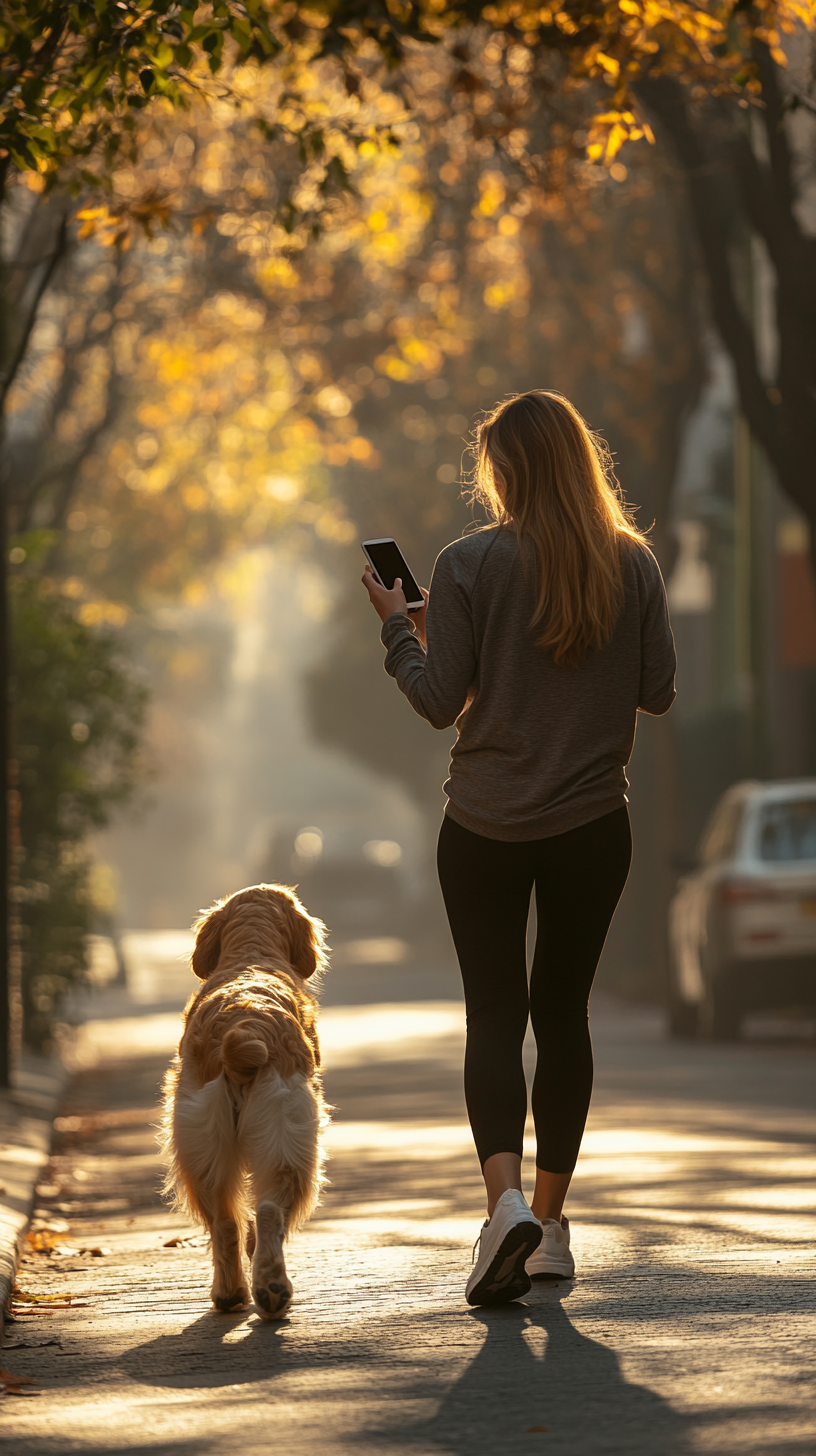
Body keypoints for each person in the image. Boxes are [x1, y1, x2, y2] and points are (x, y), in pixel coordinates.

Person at [361, 389, 676, 1307]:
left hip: (485, 827)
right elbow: (656, 691)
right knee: (563, 1014)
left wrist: (396, 624)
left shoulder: (467, 563)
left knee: (494, 1016)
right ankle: (553, 1228)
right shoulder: (632, 564)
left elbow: (437, 700)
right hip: (592, 828)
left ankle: (503, 1208)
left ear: (506, 469)